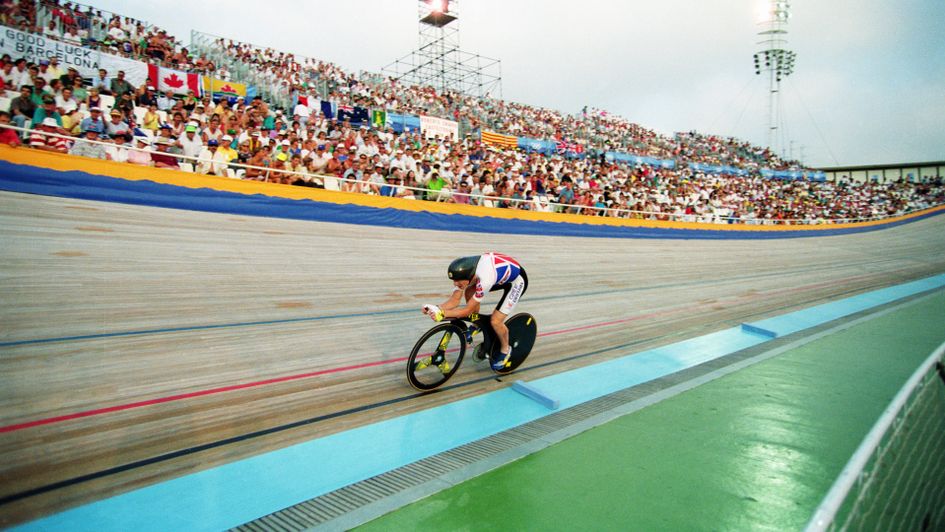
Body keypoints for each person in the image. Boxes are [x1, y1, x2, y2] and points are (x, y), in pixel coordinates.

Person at [422, 253, 528, 371]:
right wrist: (436, 308)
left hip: (516, 281)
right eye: (454, 280)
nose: (455, 284)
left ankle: (505, 350)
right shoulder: (466, 272)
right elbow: (454, 301)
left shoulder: (486, 279)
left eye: (457, 281)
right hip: (498, 274)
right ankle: (477, 324)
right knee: (469, 291)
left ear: (468, 276)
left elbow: (467, 311)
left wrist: (443, 314)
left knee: (496, 321)